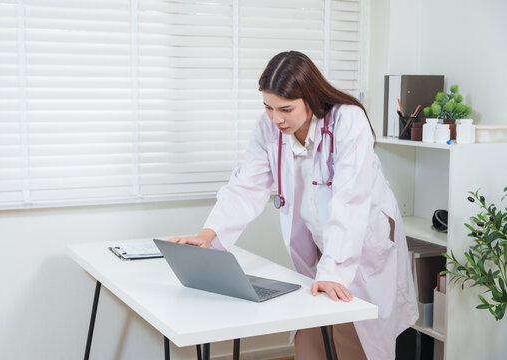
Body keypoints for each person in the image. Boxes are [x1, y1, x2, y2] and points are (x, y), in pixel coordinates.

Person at [170, 51, 418, 360]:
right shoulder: (269, 128)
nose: (276, 118)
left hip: (361, 243)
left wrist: (335, 271)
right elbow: (246, 185)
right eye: (268, 107)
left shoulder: (347, 120)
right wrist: (209, 233)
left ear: (311, 98)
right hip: (317, 242)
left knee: (354, 335)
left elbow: (349, 199)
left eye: (285, 109)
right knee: (311, 334)